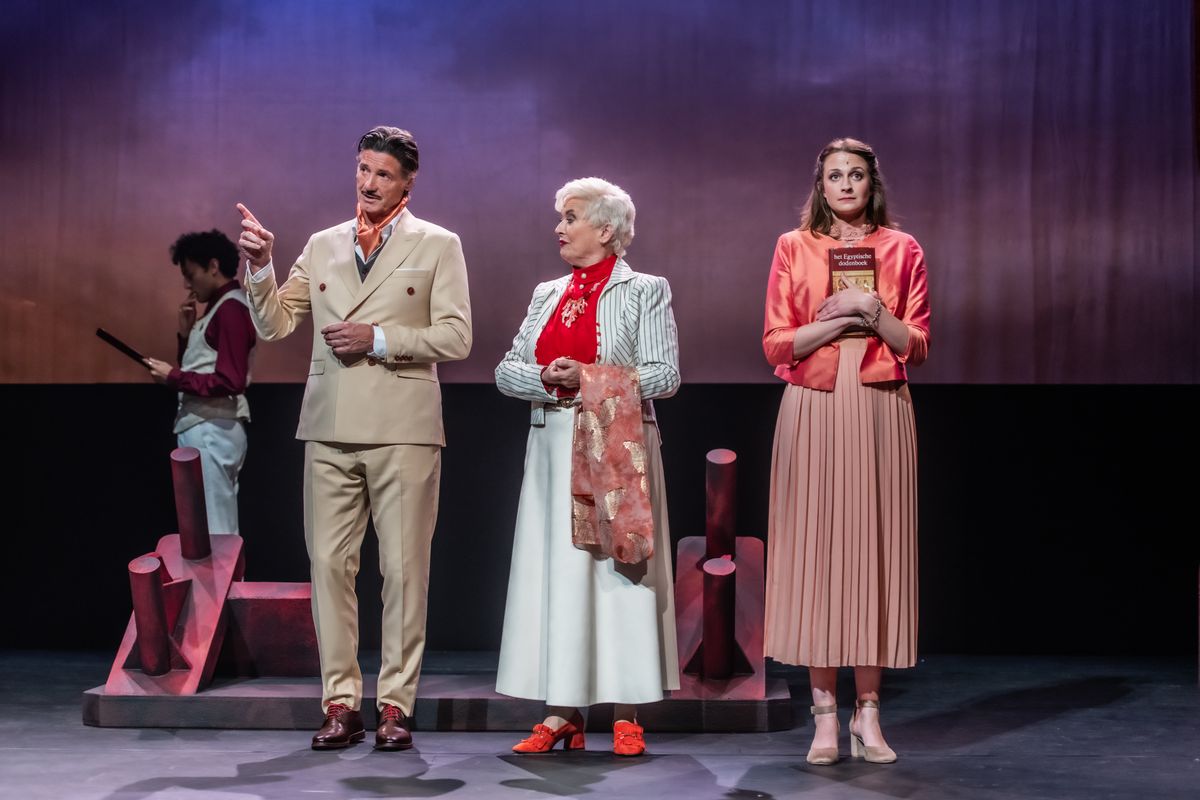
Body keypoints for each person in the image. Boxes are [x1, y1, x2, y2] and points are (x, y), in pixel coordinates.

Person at [235, 125, 472, 751]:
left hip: (404, 430)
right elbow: (275, 324)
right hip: (330, 427)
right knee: (329, 568)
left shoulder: (438, 244)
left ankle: (395, 705)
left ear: (408, 182)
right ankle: (340, 703)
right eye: (363, 169)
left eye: (383, 174)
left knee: (403, 571)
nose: (369, 183)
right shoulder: (322, 245)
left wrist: (380, 339)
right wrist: (259, 265)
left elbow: (456, 336)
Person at [494, 177, 680, 757]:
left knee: (619, 571)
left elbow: (666, 373)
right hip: (552, 448)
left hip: (616, 444)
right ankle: (562, 712)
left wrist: (591, 378)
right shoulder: (547, 293)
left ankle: (626, 710)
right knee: (560, 573)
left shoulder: (644, 289)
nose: (559, 227)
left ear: (605, 228)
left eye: (570, 217)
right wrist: (546, 376)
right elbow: (505, 371)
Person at [762, 138, 931, 765]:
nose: (846, 185)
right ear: (821, 185)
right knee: (817, 554)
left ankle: (869, 713)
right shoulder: (793, 246)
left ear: (871, 183)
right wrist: (838, 319)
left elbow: (917, 344)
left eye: (856, 175)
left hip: (880, 403)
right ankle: (824, 717)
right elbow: (777, 344)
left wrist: (869, 307)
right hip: (815, 402)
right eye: (835, 175)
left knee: (873, 552)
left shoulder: (902, 248)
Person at [145, 229, 256, 535]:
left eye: (190, 274)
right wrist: (185, 334)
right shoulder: (220, 308)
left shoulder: (231, 307)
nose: (187, 284)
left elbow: (231, 381)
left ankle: (225, 571)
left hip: (212, 428)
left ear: (213, 266)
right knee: (209, 527)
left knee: (217, 530)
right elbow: (202, 365)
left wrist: (174, 377)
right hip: (207, 426)